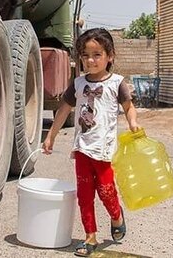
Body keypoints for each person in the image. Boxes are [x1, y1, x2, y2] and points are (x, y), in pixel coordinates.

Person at [42, 28, 140, 257]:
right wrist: (51, 135)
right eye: (85, 55)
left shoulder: (117, 83)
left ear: (110, 56)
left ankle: (116, 217)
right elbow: (63, 109)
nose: (90, 60)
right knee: (85, 194)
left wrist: (133, 123)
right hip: (82, 149)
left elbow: (129, 107)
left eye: (97, 54)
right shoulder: (77, 84)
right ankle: (90, 237)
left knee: (106, 191)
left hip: (104, 151)